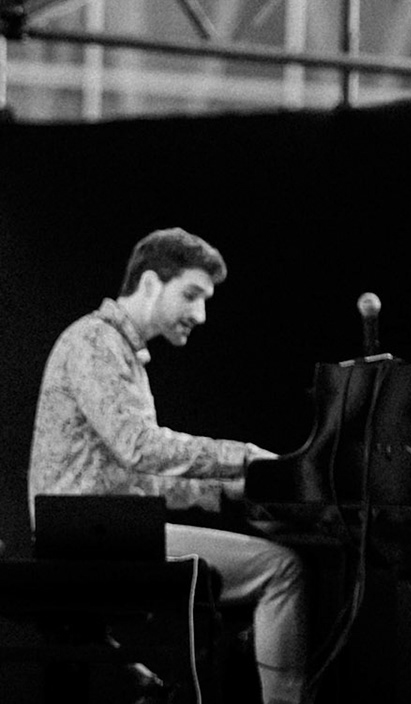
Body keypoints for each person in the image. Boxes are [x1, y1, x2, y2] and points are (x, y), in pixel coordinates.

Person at [30, 228, 310, 704]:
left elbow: (134, 474)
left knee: (273, 562)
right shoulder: (95, 342)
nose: (200, 314)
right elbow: (140, 448)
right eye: (192, 295)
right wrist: (243, 455)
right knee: (282, 569)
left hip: (102, 528)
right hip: (89, 536)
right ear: (149, 284)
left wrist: (226, 491)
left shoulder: (120, 353)